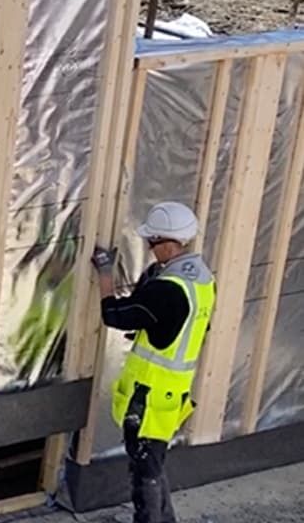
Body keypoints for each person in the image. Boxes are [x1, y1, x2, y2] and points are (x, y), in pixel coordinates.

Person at [90, 201, 216, 523]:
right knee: (154, 465)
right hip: (171, 396)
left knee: (144, 472)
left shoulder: (167, 291)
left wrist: (105, 272)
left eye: (153, 242)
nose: (149, 248)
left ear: (172, 243)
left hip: (149, 398)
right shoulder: (201, 280)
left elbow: (114, 314)